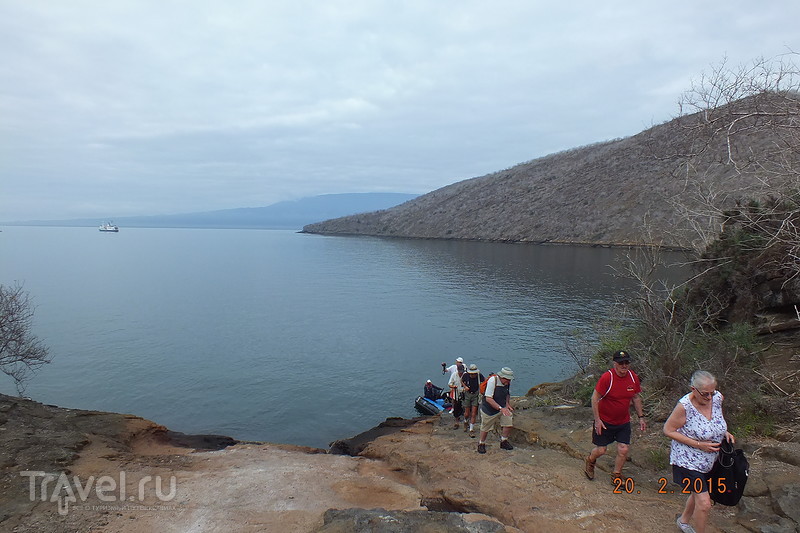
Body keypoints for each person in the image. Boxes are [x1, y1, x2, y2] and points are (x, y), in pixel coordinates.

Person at [663, 370, 735, 533]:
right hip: (688, 460)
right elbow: (668, 430)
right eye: (705, 394)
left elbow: (715, 418)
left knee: (698, 493)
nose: (709, 397)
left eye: (712, 392)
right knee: (704, 503)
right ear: (693, 389)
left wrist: (723, 432)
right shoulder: (684, 407)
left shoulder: (717, 397)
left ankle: (683, 521)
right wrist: (697, 444)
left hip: (710, 460)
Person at [584, 350, 646, 483]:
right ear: (615, 364)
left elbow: (635, 397)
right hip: (605, 421)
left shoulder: (632, 377)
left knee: (623, 449)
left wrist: (641, 417)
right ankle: (590, 460)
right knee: (601, 450)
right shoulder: (607, 378)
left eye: (627, 362)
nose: (624, 365)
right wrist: (597, 420)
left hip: (623, 422)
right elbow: (595, 398)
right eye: (621, 363)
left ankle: (616, 475)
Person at [477, 367, 514, 454]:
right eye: (507, 379)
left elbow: (507, 393)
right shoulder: (493, 381)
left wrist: (507, 404)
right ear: (502, 377)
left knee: (508, 423)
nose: (508, 382)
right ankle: (481, 443)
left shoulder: (507, 383)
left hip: (502, 406)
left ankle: (504, 441)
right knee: (485, 427)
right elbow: (489, 398)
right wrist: (501, 408)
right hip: (489, 409)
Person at [461, 364, 485, 437]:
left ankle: (471, 429)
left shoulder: (479, 376)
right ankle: (465, 421)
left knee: (474, 413)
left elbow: (484, 381)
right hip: (468, 394)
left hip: (475, 394)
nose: (473, 375)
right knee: (467, 413)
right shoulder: (466, 375)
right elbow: (461, 381)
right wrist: (465, 387)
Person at [448, 362, 466, 429]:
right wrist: (453, 386)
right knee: (456, 408)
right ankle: (457, 421)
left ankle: (466, 421)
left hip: (464, 393)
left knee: (465, 408)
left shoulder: (465, 375)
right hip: (456, 393)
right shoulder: (454, 375)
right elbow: (449, 384)